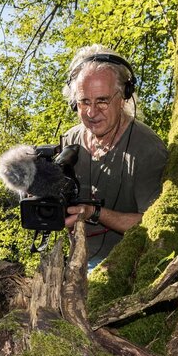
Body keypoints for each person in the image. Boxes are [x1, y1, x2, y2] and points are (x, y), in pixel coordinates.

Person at [61, 45, 168, 267]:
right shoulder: (70, 141)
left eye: (102, 101)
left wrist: (94, 212)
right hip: (75, 260)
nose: (91, 113)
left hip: (127, 266)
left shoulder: (146, 148)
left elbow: (155, 222)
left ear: (124, 98)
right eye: (84, 102)